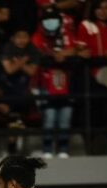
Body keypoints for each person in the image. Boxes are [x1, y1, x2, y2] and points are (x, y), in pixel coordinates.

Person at [76, 0, 107, 155]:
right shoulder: (85, 25)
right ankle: (90, 151)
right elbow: (79, 47)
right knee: (91, 112)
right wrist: (81, 52)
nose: (103, 11)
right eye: (99, 8)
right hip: (90, 76)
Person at [32, 6, 81, 158]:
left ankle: (63, 149)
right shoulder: (37, 36)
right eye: (47, 20)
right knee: (49, 118)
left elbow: (74, 49)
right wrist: (54, 54)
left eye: (53, 20)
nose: (50, 23)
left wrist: (62, 53)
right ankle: (47, 149)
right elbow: (36, 50)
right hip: (45, 84)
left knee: (65, 119)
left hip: (66, 84)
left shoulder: (66, 35)